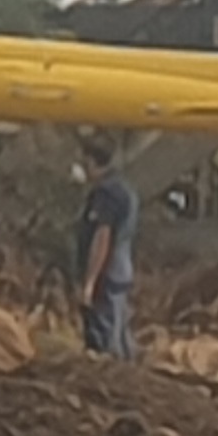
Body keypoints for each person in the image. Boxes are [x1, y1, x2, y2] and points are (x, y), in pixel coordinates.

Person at [72, 134, 137, 360]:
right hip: (119, 272)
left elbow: (102, 237)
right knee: (118, 333)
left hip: (105, 275)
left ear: (91, 161)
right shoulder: (124, 189)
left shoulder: (105, 194)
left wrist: (89, 282)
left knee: (103, 339)